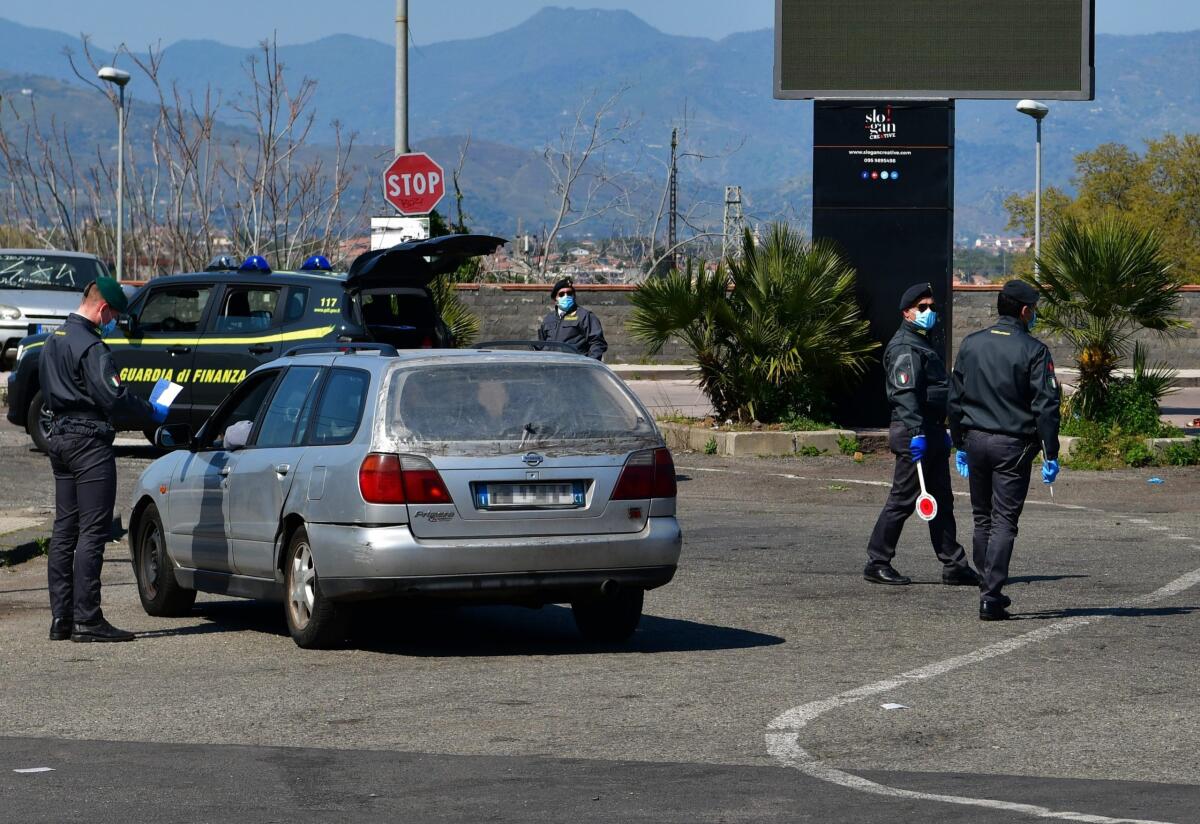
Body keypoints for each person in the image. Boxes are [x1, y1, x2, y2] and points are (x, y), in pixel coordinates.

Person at [40, 276, 169, 642]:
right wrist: (151, 411)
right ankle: (88, 619)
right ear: (102, 309)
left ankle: (61, 619)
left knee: (64, 530)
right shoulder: (92, 347)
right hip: (88, 443)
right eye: (114, 315)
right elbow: (113, 398)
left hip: (59, 438)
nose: (114, 323)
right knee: (93, 532)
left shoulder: (54, 339)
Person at [948, 279, 1061, 621]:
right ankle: (991, 595)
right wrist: (1050, 451)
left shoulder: (971, 344)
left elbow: (955, 398)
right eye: (1035, 309)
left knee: (982, 517)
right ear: (1025, 311)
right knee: (1004, 521)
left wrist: (958, 443)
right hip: (1012, 444)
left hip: (975, 440)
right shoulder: (1034, 350)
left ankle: (986, 583)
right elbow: (1046, 405)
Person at [865, 283, 979, 587]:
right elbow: (906, 394)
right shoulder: (906, 346)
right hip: (914, 430)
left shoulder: (923, 341)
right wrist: (917, 433)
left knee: (941, 498)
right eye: (922, 308)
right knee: (902, 499)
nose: (929, 312)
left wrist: (941, 430)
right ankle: (877, 560)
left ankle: (953, 564)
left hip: (930, 428)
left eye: (931, 306)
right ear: (907, 313)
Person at [537, 278, 607, 360]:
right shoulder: (548, 319)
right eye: (561, 294)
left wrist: (589, 364)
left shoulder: (585, 316)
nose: (566, 296)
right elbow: (541, 343)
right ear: (555, 298)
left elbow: (597, 343)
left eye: (569, 293)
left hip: (575, 367)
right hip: (551, 366)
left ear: (574, 296)